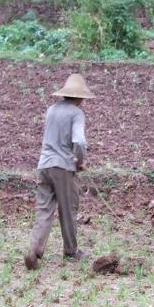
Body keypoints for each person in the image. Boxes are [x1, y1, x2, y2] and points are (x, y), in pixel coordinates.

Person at [24, 73, 94, 270]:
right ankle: (71, 250)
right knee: (68, 208)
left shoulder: (51, 109)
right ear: (80, 97)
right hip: (63, 166)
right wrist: (79, 161)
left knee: (44, 210)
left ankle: (34, 250)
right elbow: (79, 142)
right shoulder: (76, 113)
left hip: (44, 165)